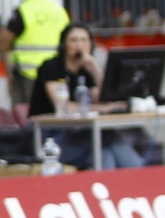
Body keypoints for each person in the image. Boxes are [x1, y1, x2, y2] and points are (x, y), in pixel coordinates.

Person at [28, 21, 147, 171]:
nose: (80, 45)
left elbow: (104, 96)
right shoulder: (51, 67)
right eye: (74, 40)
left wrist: (94, 67)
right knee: (107, 136)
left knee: (104, 153)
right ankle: (143, 174)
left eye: (84, 40)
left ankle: (127, 180)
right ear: (64, 44)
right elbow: (65, 107)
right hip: (51, 138)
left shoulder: (85, 70)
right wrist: (105, 108)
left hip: (79, 133)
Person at [0, 0, 67, 106]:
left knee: (25, 115)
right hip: (55, 75)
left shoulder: (24, 10)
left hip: (28, 76)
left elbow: (2, 43)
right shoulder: (59, 10)